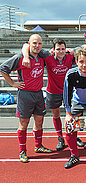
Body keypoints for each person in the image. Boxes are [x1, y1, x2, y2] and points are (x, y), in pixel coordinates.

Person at [0, 34, 53, 163]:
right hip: (25, 95)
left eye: (39, 43)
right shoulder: (20, 57)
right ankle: (22, 151)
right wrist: (13, 83)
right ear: (29, 44)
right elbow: (3, 68)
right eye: (34, 43)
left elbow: (53, 52)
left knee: (39, 121)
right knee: (24, 123)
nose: (37, 46)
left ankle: (38, 145)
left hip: (38, 94)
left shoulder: (42, 55)